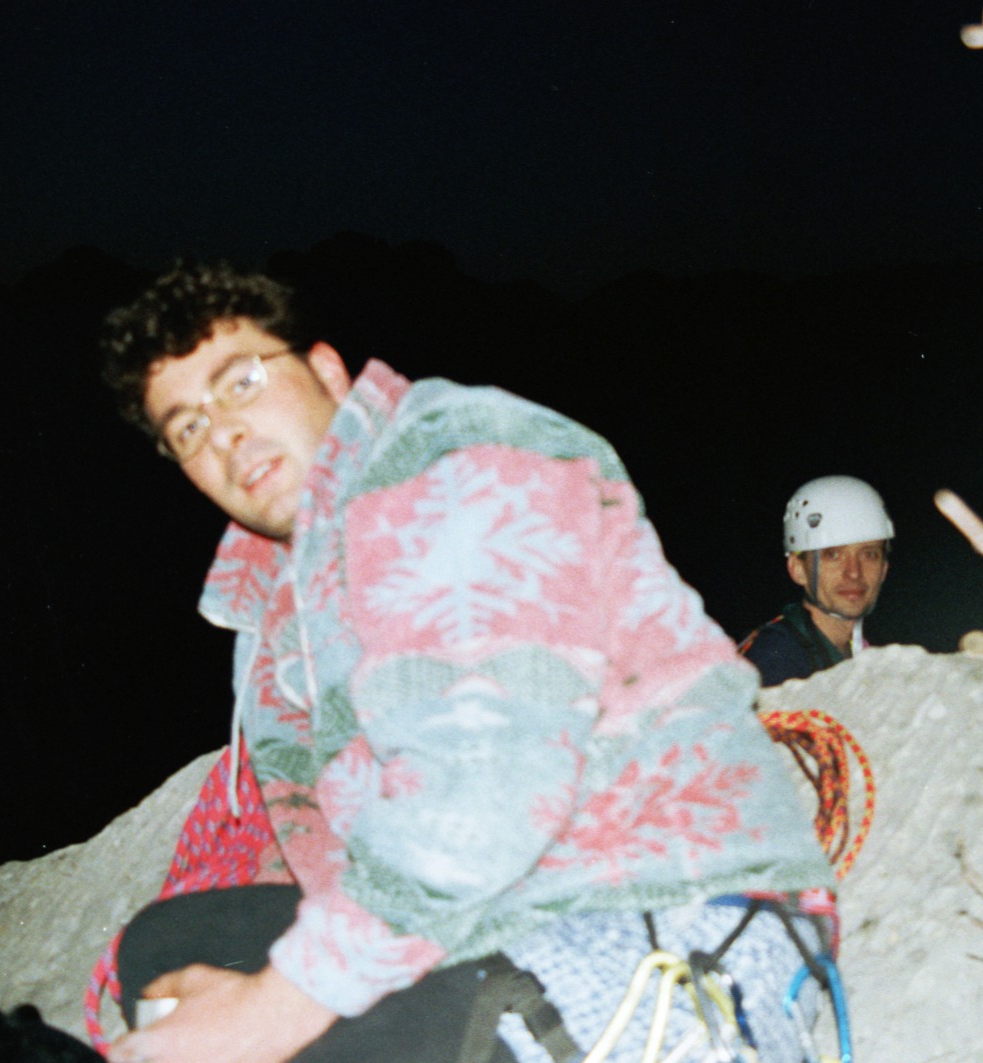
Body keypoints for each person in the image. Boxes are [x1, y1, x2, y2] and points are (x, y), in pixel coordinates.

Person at [97, 262, 838, 1063]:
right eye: (190, 428)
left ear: (325, 369)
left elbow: (484, 788)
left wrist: (271, 1011)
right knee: (174, 950)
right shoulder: (278, 607)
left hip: (648, 910)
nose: (226, 432)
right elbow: (319, 842)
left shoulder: (459, 462)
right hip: (470, 928)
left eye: (240, 382)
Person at [738, 476, 892, 687]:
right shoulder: (776, 657)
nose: (854, 573)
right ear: (798, 569)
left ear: (884, 568)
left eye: (869, 554)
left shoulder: (864, 653)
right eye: (833, 555)